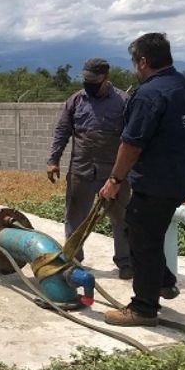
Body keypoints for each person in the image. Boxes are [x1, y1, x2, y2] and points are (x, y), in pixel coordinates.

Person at [100, 33, 185, 327]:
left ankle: (143, 308)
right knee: (149, 231)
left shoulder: (148, 95)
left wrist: (115, 179)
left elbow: (131, 144)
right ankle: (165, 281)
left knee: (141, 238)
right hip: (184, 176)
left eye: (135, 62)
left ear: (143, 62)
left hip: (156, 183)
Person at [46, 58, 132, 279]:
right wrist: (53, 160)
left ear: (105, 78)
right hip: (81, 170)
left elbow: (133, 140)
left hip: (114, 174)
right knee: (75, 216)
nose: (89, 83)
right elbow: (62, 131)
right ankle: (74, 259)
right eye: (86, 79)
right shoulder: (75, 101)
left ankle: (125, 262)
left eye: (93, 80)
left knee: (121, 218)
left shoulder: (123, 101)